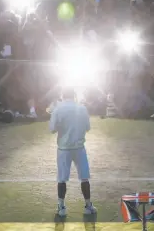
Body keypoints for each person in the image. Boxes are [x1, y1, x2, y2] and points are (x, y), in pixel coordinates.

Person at [49, 87, 97, 217]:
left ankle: (61, 207)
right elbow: (87, 128)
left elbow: (52, 129)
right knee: (84, 177)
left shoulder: (57, 109)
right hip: (79, 148)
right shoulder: (82, 108)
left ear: (62, 95)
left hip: (64, 149)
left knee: (62, 179)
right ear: (74, 95)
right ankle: (88, 205)